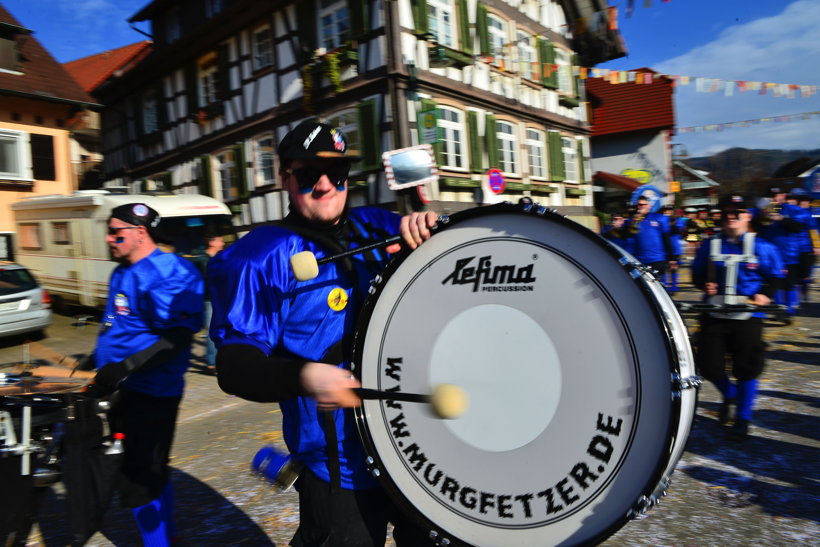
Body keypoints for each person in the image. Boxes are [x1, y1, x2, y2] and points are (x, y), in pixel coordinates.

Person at [208, 120, 438, 546]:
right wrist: (307, 377)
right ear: (284, 179)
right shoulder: (258, 258)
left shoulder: (379, 227)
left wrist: (431, 227)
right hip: (338, 470)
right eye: (309, 174)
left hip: (415, 453)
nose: (325, 186)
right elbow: (235, 367)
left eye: (337, 174)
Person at [85, 203, 204, 545]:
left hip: (152, 391)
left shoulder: (170, 271)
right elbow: (119, 325)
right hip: (123, 388)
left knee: (139, 477)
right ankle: (168, 536)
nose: (108, 239)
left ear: (141, 232)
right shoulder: (121, 271)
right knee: (151, 469)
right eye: (107, 232)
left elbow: (178, 336)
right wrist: (96, 358)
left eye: (116, 232)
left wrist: (127, 366)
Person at [692, 194, 784, 440]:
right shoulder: (710, 245)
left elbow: (775, 276)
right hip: (715, 312)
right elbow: (698, 275)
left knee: (747, 367)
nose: (731, 217)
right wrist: (705, 284)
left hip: (747, 315)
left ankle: (743, 418)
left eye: (737, 212)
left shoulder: (762, 246)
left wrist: (765, 294)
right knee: (709, 365)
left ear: (748, 216)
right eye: (726, 214)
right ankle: (730, 395)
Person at [622, 196, 676, 279]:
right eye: (640, 204)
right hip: (640, 260)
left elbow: (666, 238)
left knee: (658, 284)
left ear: (649, 205)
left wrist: (672, 258)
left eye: (644, 204)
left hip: (657, 259)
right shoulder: (632, 220)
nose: (642, 206)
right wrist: (633, 222)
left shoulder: (659, 218)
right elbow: (627, 237)